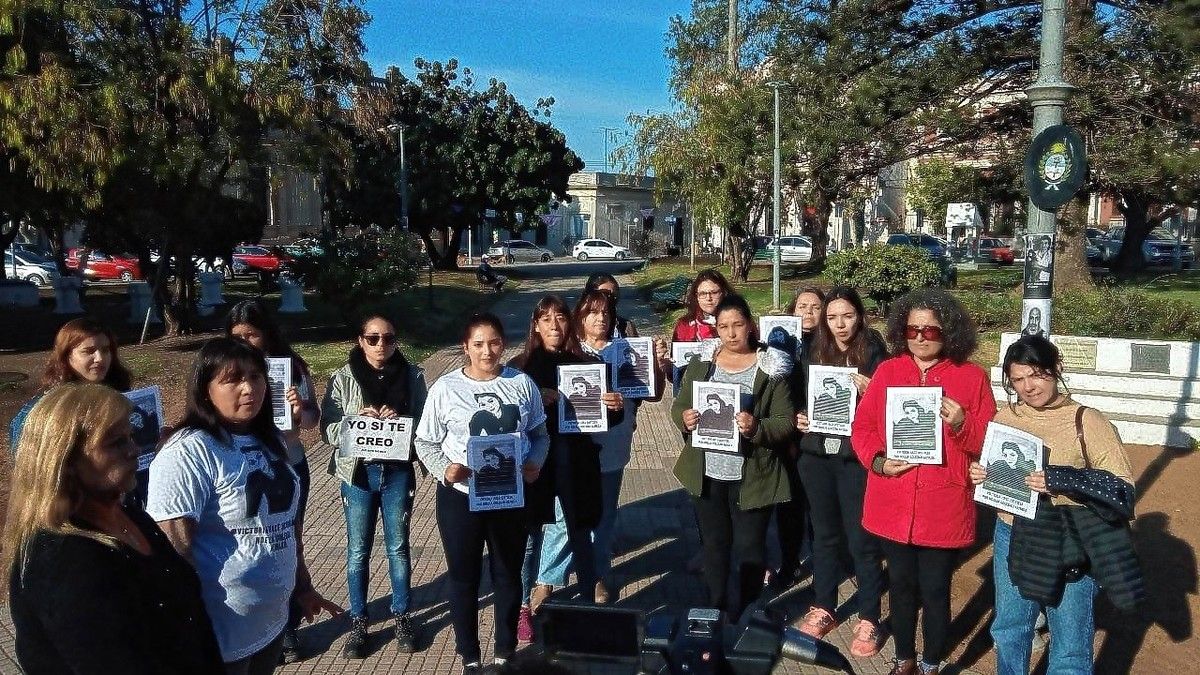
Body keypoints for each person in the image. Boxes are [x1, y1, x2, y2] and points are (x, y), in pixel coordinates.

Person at [147, 338, 342, 674]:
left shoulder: (270, 440)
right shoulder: (189, 452)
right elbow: (170, 550)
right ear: (205, 389)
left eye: (256, 376)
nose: (249, 387)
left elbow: (286, 524)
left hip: (272, 622)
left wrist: (303, 586)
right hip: (220, 634)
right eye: (232, 380)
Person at [3, 384, 224, 674]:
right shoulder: (62, 560)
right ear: (65, 460)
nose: (134, 449)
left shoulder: (130, 515)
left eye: (130, 437)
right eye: (115, 442)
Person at [850, 287, 996, 675]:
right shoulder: (889, 371)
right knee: (899, 587)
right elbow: (862, 427)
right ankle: (904, 659)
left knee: (935, 591)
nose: (919, 337)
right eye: (912, 329)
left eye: (930, 331)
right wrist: (879, 463)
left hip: (942, 507)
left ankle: (931, 662)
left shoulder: (972, 378)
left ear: (949, 332)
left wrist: (963, 425)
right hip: (892, 501)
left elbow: (989, 441)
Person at [969, 335, 1135, 675]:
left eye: (1036, 374)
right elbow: (999, 471)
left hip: (1068, 537)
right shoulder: (1005, 418)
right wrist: (983, 473)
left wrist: (1062, 479)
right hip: (1012, 532)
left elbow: (1123, 488)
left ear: (1056, 369)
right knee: (1010, 628)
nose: (1028, 386)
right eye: (1018, 379)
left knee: (1070, 642)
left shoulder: (1087, 421)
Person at [414, 313, 550, 674]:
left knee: (507, 573)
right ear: (466, 348)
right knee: (464, 575)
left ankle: (505, 650)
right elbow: (424, 441)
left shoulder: (520, 383)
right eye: (478, 344)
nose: (487, 351)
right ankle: (470, 656)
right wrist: (444, 469)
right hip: (461, 495)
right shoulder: (445, 388)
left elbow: (540, 433)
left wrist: (535, 461)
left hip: (509, 494)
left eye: (493, 343)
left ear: (504, 344)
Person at [672, 294, 794, 621]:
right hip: (708, 471)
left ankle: (747, 609)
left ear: (750, 325)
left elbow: (784, 422)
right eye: (723, 326)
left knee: (750, 548)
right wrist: (684, 418)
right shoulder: (703, 364)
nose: (731, 333)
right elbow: (679, 405)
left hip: (753, 472)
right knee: (715, 546)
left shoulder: (770, 368)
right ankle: (717, 607)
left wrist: (756, 428)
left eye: (737, 325)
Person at [509, 295, 623, 644]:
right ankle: (523, 608)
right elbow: (508, 418)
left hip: (578, 462)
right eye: (546, 319)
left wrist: (614, 405)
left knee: (581, 535)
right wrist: (533, 400)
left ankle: (586, 608)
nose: (554, 325)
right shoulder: (520, 368)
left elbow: (608, 417)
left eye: (560, 317)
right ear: (536, 325)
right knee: (530, 537)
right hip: (534, 465)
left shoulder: (587, 362)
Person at [320, 314, 428, 659]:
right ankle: (358, 620)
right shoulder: (343, 377)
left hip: (397, 473)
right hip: (358, 475)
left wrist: (405, 425)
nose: (382, 345)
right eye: (373, 338)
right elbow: (327, 429)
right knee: (357, 551)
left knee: (398, 547)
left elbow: (426, 427)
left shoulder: (413, 376)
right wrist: (355, 424)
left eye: (389, 338)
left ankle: (402, 615)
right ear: (360, 340)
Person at [792, 286, 889, 658]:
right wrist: (802, 416)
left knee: (862, 539)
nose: (839, 324)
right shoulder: (814, 349)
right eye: (832, 317)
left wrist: (873, 391)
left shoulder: (875, 353)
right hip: (817, 455)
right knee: (824, 536)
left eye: (847, 316)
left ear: (860, 316)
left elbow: (894, 406)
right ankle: (824, 607)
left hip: (856, 458)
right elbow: (800, 395)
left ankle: (869, 616)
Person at [225, 300, 321, 662]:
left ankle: (289, 627)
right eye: (239, 336)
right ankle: (259, 624)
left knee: (288, 541)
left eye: (253, 333)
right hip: (244, 469)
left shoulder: (291, 367)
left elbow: (312, 421)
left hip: (288, 463)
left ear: (267, 332)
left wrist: (300, 408)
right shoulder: (224, 368)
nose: (248, 341)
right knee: (251, 541)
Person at [564, 290, 667, 605]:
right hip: (574, 448)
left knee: (605, 517)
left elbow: (653, 395)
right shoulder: (568, 351)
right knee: (563, 518)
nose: (600, 319)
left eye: (606, 313)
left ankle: (598, 576)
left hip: (613, 447)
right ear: (579, 316)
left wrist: (658, 365)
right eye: (592, 313)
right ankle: (549, 579)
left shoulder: (625, 350)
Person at [767, 287, 826, 592]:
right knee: (788, 505)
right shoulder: (777, 343)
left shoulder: (831, 346)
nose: (808, 312)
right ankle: (789, 564)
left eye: (815, 307)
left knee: (817, 506)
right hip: (784, 435)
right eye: (802, 306)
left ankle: (824, 566)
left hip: (818, 435)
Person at [9, 317, 133, 452]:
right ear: (66, 356)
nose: (100, 358)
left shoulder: (120, 395)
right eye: (88, 351)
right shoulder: (44, 409)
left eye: (105, 350)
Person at [583, 272, 640, 338]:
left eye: (614, 295)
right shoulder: (573, 326)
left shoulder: (626, 326)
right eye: (604, 294)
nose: (610, 299)